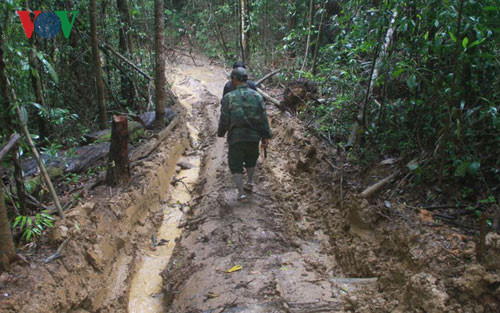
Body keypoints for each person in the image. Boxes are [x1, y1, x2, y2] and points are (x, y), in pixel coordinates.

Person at [218, 67, 272, 201]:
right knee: (251, 160)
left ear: (235, 80)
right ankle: (249, 181)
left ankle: (241, 192)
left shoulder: (228, 98)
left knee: (235, 164)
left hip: (236, 137)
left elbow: (224, 118)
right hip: (254, 137)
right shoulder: (257, 96)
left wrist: (221, 132)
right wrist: (265, 136)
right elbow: (263, 118)